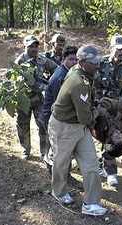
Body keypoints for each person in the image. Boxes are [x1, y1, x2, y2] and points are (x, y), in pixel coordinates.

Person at [48, 44, 108, 216]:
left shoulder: (84, 73)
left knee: (91, 164)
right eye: (93, 62)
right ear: (82, 62)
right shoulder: (79, 82)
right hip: (64, 127)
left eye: (98, 61)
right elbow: (86, 117)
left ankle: (91, 203)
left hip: (79, 127)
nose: (98, 65)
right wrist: (98, 110)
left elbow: (84, 116)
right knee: (61, 162)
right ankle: (59, 192)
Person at [94, 34, 122, 187]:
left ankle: (105, 164)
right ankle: (110, 171)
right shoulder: (100, 63)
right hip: (101, 107)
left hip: (121, 109)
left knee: (117, 139)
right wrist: (99, 107)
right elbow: (95, 87)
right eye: (119, 49)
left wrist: (120, 110)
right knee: (109, 137)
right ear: (111, 48)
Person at [14, 34, 58, 160]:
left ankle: (44, 152)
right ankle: (25, 150)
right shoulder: (19, 62)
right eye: (30, 46)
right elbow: (15, 80)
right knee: (23, 125)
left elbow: (56, 69)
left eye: (35, 46)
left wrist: (50, 82)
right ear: (25, 47)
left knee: (43, 125)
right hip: (23, 99)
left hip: (39, 99)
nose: (34, 49)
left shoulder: (41, 59)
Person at [39, 46, 78, 176]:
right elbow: (59, 103)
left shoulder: (69, 73)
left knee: (59, 149)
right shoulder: (60, 77)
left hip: (56, 116)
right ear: (63, 60)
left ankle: (60, 173)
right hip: (52, 117)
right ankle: (61, 177)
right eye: (71, 59)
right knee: (60, 150)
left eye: (76, 59)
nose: (74, 62)